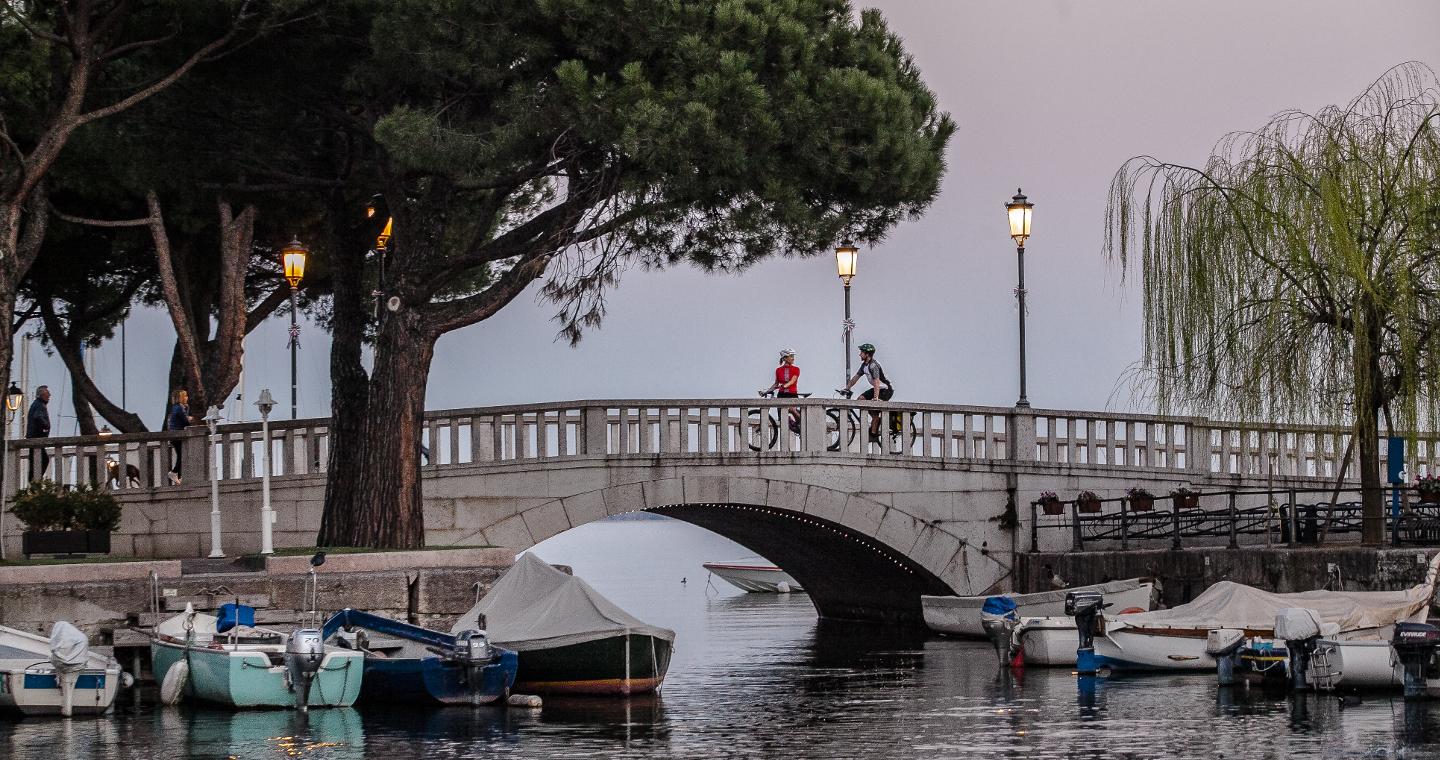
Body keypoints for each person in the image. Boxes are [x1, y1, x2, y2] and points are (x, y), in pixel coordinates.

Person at [842, 343, 893, 440]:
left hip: (886, 390)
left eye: (862, 352)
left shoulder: (873, 365)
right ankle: (875, 420)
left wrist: (875, 397)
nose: (859, 354)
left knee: (873, 407)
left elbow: (877, 382)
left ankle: (874, 427)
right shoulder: (864, 365)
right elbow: (855, 378)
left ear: (867, 354)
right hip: (877, 388)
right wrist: (847, 388)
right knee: (860, 399)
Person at [760, 349, 802, 434]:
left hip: (792, 394)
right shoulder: (778, 370)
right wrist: (766, 391)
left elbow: (793, 380)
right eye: (791, 356)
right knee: (782, 417)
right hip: (782, 394)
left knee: (792, 409)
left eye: (793, 356)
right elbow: (776, 384)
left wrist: (784, 385)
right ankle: (793, 426)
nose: (793, 358)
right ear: (785, 358)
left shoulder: (796, 369)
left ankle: (802, 422)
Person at [166, 389, 194, 485]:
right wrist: (189, 418)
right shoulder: (179, 408)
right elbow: (186, 421)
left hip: (175, 436)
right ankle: (174, 472)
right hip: (177, 436)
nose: (187, 398)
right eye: (185, 396)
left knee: (182, 455)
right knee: (182, 455)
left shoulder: (177, 407)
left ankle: (179, 475)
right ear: (181, 398)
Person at [25, 385, 50, 478]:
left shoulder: (36, 404)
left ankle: (34, 482)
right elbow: (38, 416)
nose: (49, 395)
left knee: (35, 461)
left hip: (33, 437)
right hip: (36, 438)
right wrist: (46, 426)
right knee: (44, 460)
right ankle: (34, 482)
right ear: (42, 395)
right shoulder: (40, 405)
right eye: (47, 393)